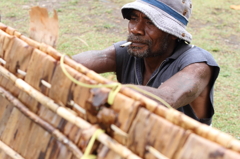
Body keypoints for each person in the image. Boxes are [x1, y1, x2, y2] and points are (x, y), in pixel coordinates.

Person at [72, 0, 220, 125]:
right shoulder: (130, 50)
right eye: (134, 19)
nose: (136, 30)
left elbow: (165, 99)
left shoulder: (198, 65)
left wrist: (106, 91)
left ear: (173, 33)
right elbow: (74, 64)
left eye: (150, 23)